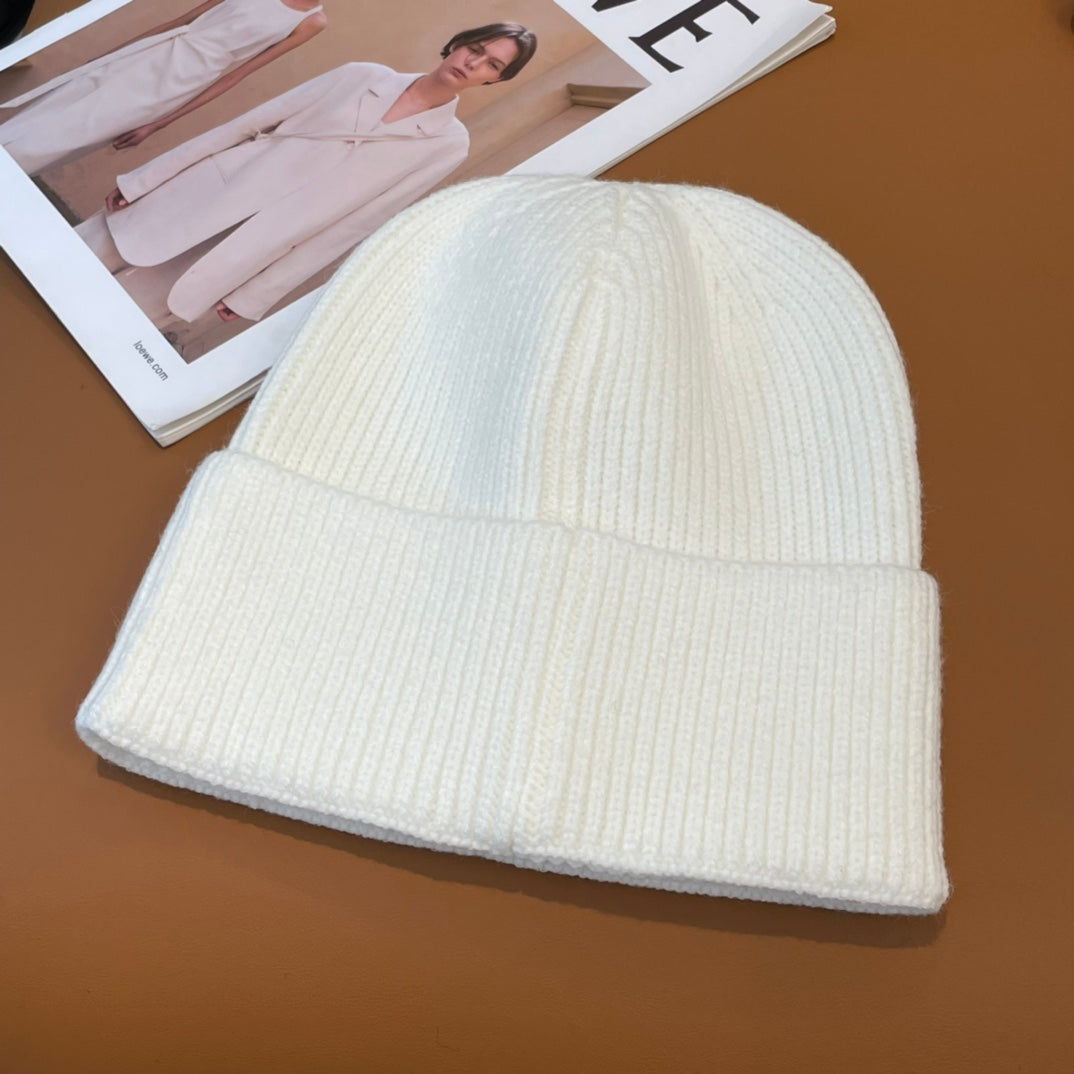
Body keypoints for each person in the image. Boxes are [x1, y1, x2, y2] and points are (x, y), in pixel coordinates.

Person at [75, 23, 537, 329]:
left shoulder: (448, 144)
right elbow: (242, 126)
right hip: (198, 194)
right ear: (457, 44)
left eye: (492, 64)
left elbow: (358, 224)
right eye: (475, 49)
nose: (473, 63)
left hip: (250, 246)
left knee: (114, 326)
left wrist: (257, 293)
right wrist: (145, 179)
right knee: (68, 262)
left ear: (496, 80)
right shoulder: (360, 75)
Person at [0, 0, 327, 174]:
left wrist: (158, 125)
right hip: (149, 52)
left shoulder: (312, 21)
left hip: (180, 81)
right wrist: (107, 56)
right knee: (54, 105)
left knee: (73, 134)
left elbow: (237, 75)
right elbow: (180, 21)